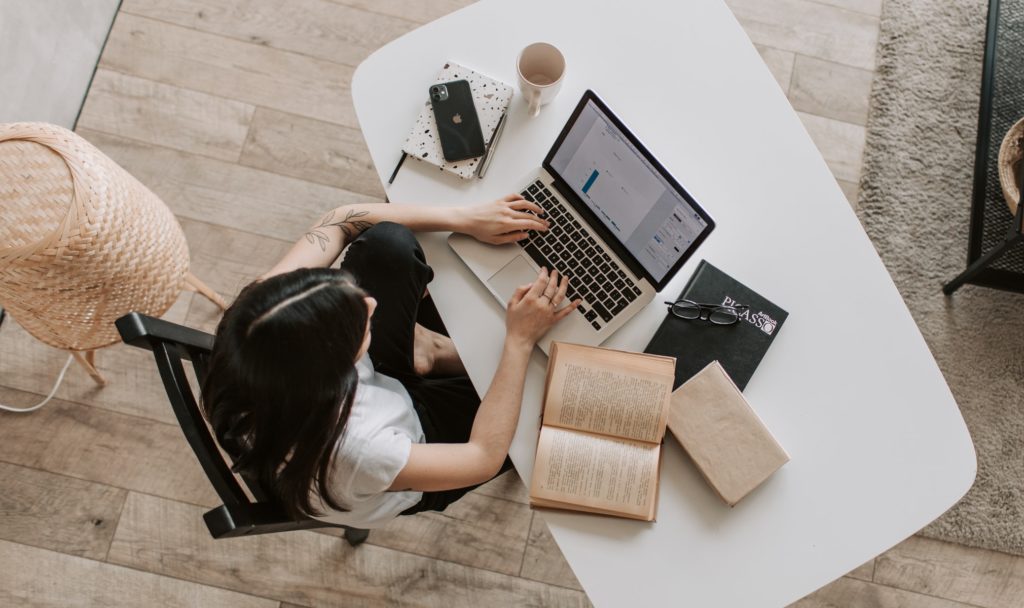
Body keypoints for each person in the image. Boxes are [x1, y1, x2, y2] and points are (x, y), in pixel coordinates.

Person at [200, 195, 580, 529]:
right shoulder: (362, 450)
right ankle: (430, 354)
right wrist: (518, 341)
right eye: (358, 324)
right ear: (336, 371)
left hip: (359, 400)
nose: (370, 303)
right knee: (549, 400)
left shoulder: (260, 317)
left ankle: (425, 353)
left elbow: (340, 220)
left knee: (386, 244)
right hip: (416, 446)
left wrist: (464, 217)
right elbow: (481, 457)